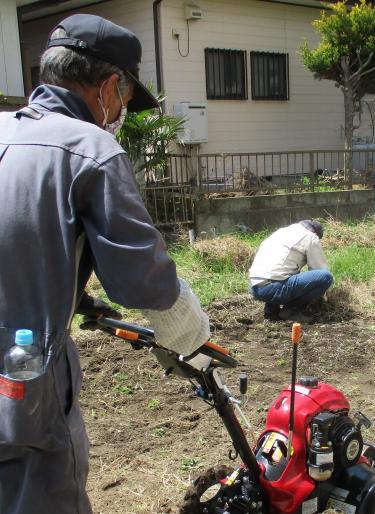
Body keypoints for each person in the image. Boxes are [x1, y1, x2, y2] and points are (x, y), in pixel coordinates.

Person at [0, 15, 211, 514]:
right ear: (110, 87)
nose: (120, 114)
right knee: (42, 492)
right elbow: (142, 280)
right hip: (23, 371)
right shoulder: (88, 149)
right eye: (126, 101)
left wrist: (77, 296)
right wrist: (193, 337)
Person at [249, 220, 333, 322]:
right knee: (326, 277)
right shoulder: (310, 236)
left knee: (285, 270)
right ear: (316, 233)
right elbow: (319, 269)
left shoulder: (281, 232)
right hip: (272, 288)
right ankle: (291, 310)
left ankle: (271, 310)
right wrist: (328, 295)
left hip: (254, 287)